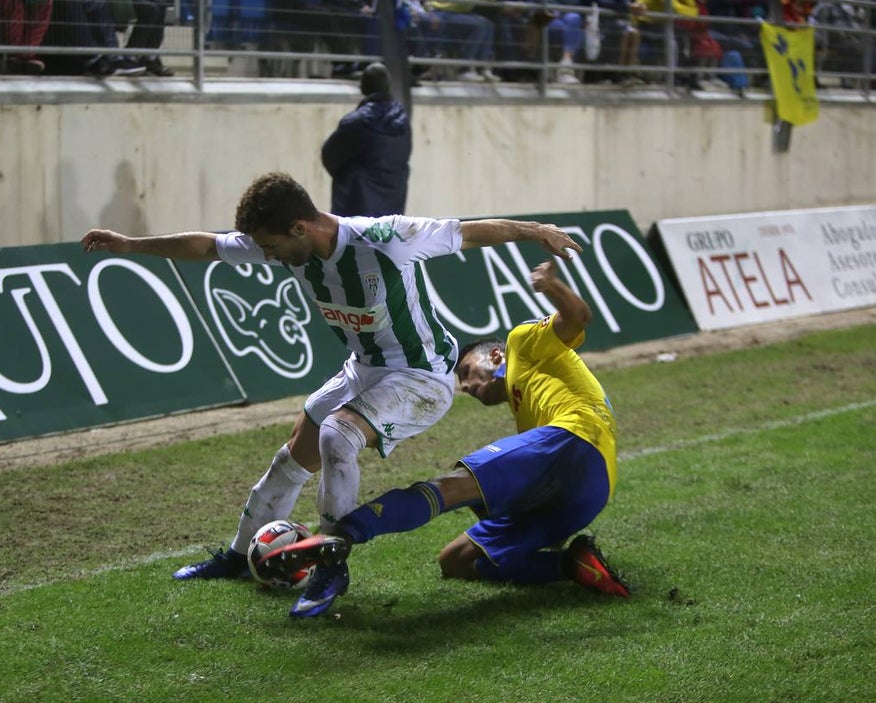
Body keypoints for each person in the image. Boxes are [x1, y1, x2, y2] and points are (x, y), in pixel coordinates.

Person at [80, 172, 583, 618]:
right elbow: (208, 246)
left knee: (338, 436)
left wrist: (534, 231)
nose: (268, 256)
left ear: (300, 228)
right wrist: (131, 245)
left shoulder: (385, 238)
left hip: (421, 376)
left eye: (273, 246)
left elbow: (468, 232)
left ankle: (329, 565)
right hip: (363, 370)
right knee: (290, 459)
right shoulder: (285, 242)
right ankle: (238, 555)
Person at [257, 259, 629, 617]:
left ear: (495, 355)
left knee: (451, 486)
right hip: (594, 489)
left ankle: (345, 534)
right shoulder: (530, 407)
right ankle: (572, 565)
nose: (464, 386)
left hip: (575, 434)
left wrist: (550, 285)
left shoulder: (522, 344)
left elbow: (577, 318)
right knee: (457, 561)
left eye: (467, 371)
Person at [321, 62, 411, 217]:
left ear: (362, 88)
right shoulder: (403, 122)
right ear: (388, 87)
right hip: (392, 211)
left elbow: (330, 155)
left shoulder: (356, 123)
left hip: (356, 211)